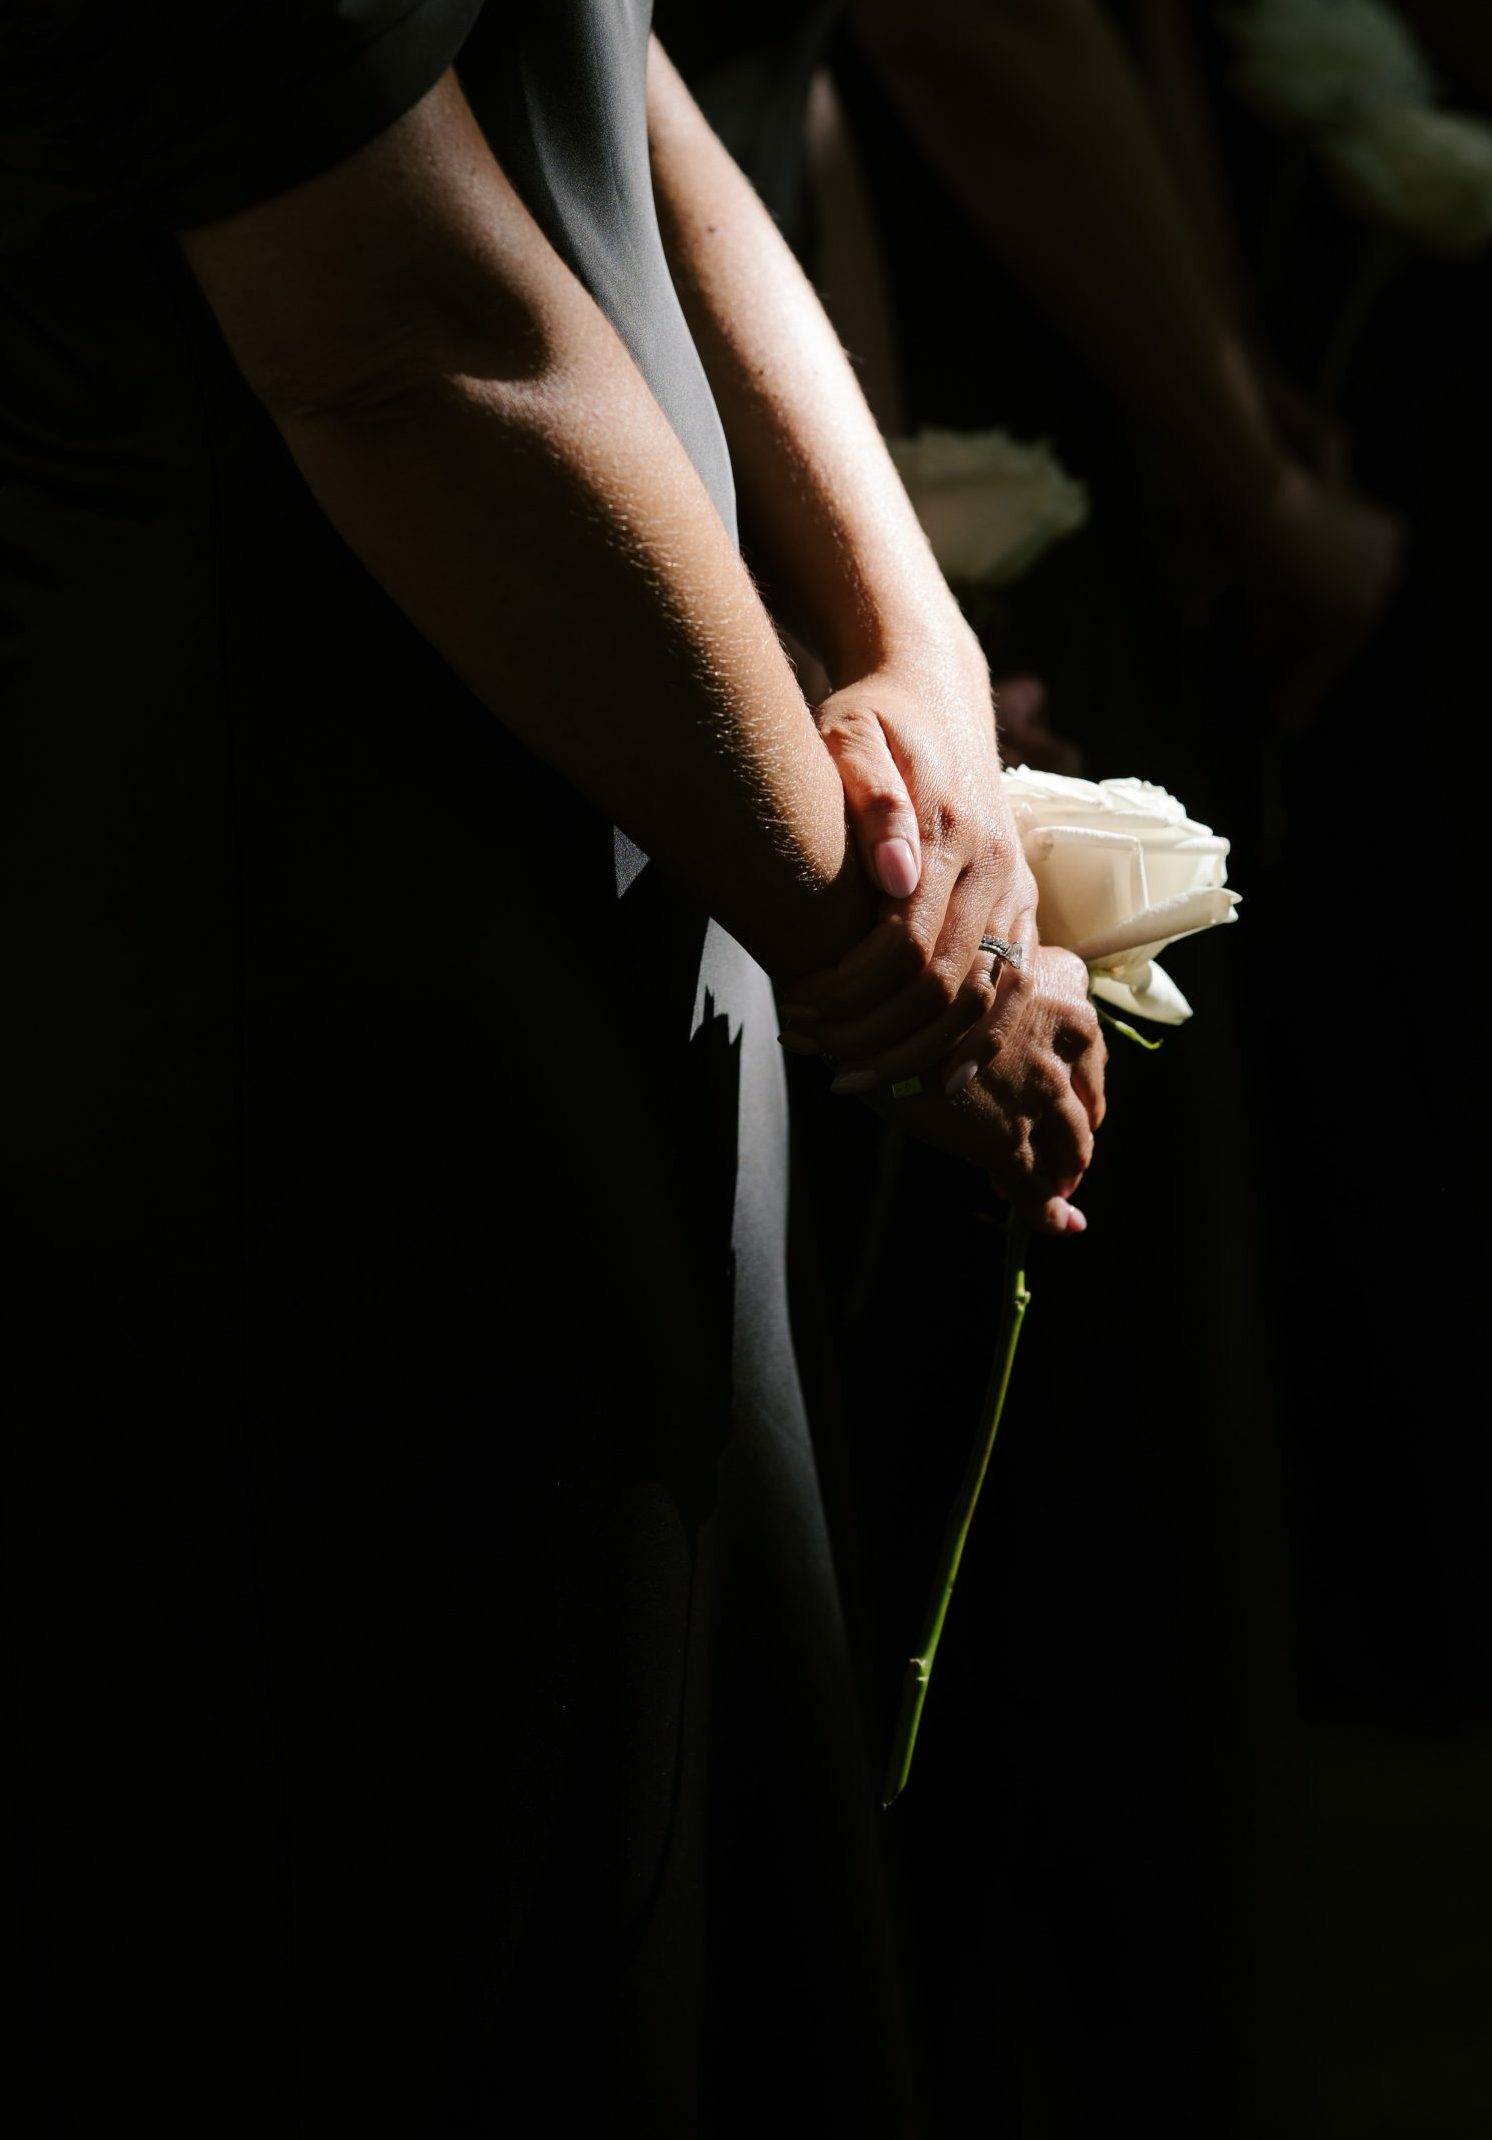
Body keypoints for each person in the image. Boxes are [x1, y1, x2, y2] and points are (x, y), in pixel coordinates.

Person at [0, 3, 1105, 2132]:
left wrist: (909, 638)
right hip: (311, 964)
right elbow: (403, 335)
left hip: (616, 846)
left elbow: (608, 57)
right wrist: (884, 935)